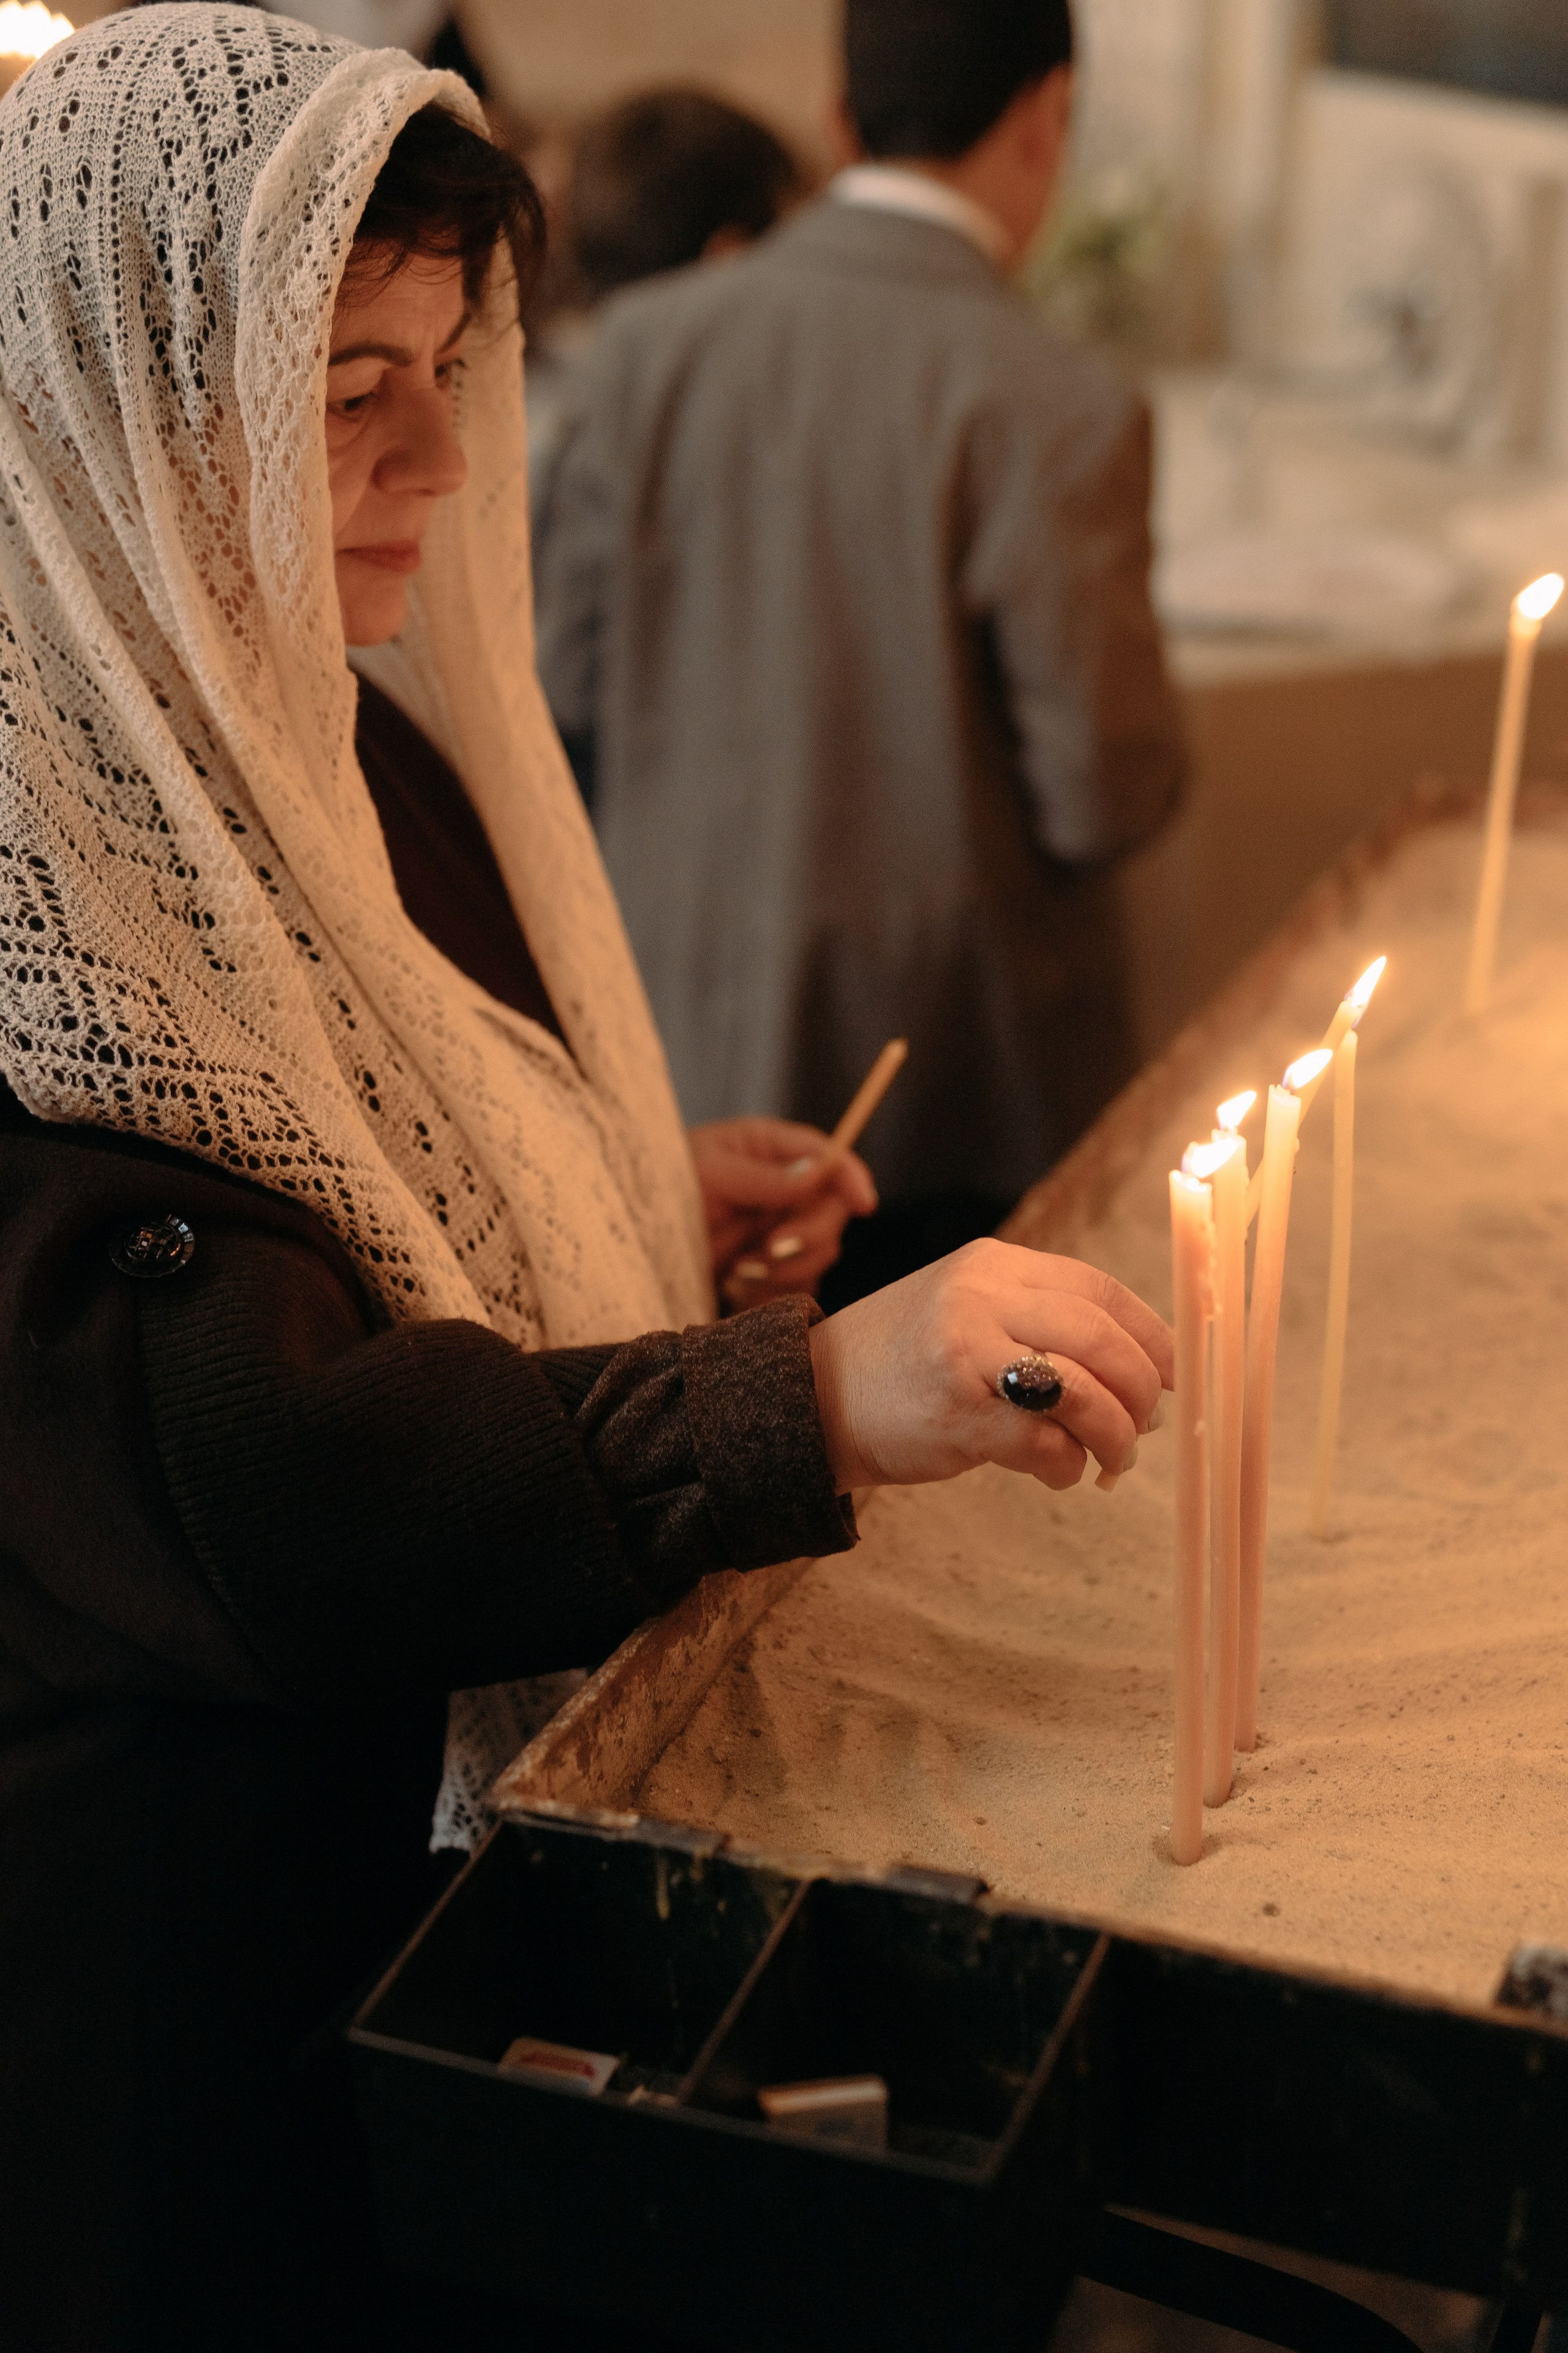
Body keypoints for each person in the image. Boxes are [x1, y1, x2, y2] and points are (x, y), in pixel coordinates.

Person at [0, 10, 1170, 2347]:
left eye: (453, 361)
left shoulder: (333, 738)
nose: (443, 449)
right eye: (349, 391)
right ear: (124, 419)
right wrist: (811, 1395)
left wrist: (637, 1210)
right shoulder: (46, 876)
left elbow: (405, 1167)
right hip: (183, 2033)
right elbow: (285, 1479)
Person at [533, 0, 1188, 1308]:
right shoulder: (1053, 398)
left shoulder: (644, 350)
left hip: (676, 1046)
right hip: (955, 1089)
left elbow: (558, 699)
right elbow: (1100, 789)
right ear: (1044, 114)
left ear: (840, 122)